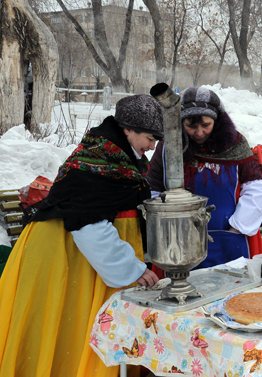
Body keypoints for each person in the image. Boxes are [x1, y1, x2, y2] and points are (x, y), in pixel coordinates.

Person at [0, 94, 163, 376]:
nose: (152, 146)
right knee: (64, 326)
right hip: (61, 255)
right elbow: (88, 223)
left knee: (71, 328)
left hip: (81, 256)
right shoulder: (101, 160)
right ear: (127, 129)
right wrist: (130, 269)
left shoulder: (115, 155)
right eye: (150, 137)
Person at [147, 86, 262, 269]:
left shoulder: (234, 144)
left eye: (206, 125)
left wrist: (236, 228)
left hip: (230, 238)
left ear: (217, 120)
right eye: (191, 126)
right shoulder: (168, 148)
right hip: (178, 241)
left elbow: (255, 187)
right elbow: (154, 188)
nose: (199, 132)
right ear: (180, 122)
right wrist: (165, 227)